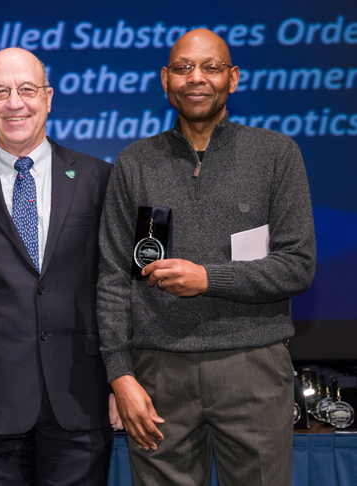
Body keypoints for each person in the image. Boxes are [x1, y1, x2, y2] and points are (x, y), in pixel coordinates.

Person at [98, 29, 316, 486]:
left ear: (233, 79)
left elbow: (298, 264)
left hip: (252, 366)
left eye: (211, 67)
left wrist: (207, 279)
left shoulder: (276, 155)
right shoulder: (133, 163)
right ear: (165, 79)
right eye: (183, 68)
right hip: (157, 374)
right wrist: (120, 374)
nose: (196, 79)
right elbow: (113, 278)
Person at [0, 47, 117, 485]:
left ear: (48, 97)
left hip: (80, 397)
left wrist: (120, 382)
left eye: (26, 89)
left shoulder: (98, 179)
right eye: (0, 91)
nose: (15, 102)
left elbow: (117, 289)